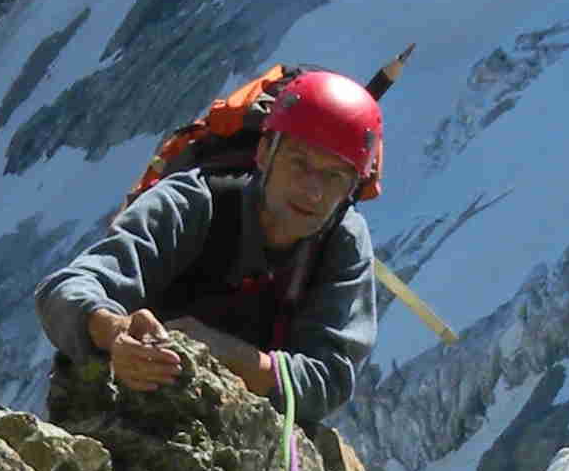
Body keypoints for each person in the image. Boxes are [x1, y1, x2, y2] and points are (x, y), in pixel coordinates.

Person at [34, 67, 384, 421]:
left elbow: (329, 380)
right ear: (265, 152)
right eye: (299, 163)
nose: (313, 190)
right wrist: (114, 331)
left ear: (352, 188)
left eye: (334, 176)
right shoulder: (194, 202)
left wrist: (224, 352)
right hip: (120, 408)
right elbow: (64, 290)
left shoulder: (343, 241)